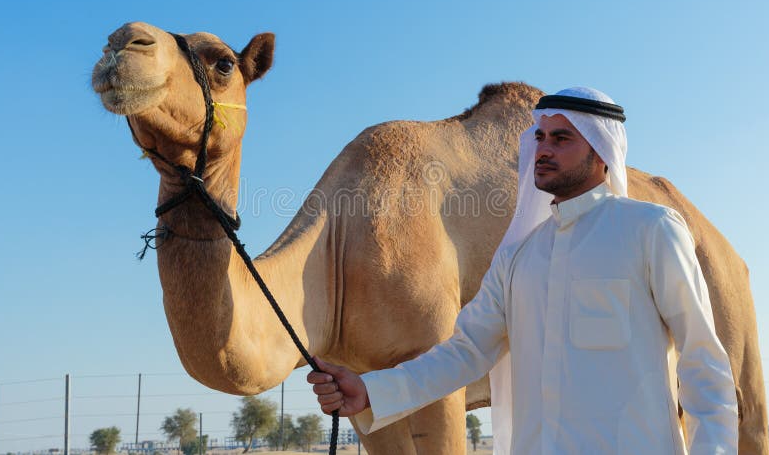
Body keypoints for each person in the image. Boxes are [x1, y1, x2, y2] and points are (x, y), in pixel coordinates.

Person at [308, 87, 738, 454]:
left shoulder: (651, 232)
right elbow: (464, 351)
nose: (544, 148)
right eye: (541, 137)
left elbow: (702, 363)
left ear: (601, 150)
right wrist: (370, 392)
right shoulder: (518, 258)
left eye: (561, 138)